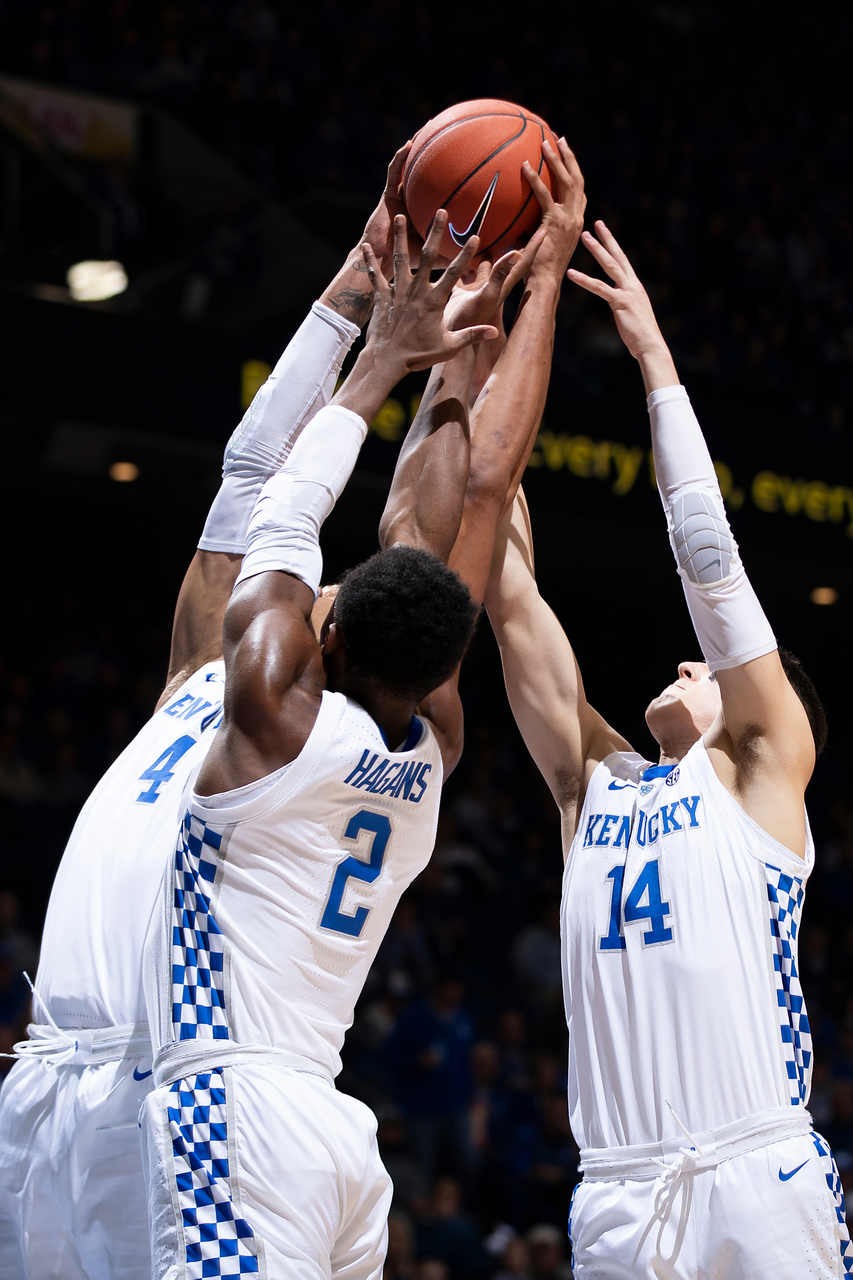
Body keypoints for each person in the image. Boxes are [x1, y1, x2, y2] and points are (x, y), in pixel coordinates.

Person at [140, 141, 586, 1279]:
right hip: (319, 1118)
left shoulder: (248, 712)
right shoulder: (428, 745)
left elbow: (254, 485)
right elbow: (461, 505)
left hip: (216, 1101)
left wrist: (370, 308)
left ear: (314, 640)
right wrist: (488, 321)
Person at [0, 146, 421, 1280]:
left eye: (326, 592)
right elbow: (247, 471)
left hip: (160, 1090)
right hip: (49, 1077)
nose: (303, 586)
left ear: (326, 647)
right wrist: (345, 296)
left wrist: (388, 370)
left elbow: (313, 515)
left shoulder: (276, 736)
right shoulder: (200, 671)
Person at [484, 221, 849, 1277]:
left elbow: (706, 553)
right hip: (616, 1187)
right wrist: (492, 352)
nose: (690, 662)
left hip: (754, 1176)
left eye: (708, 668)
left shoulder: (765, 771)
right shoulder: (589, 784)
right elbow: (510, 602)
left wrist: (652, 358)